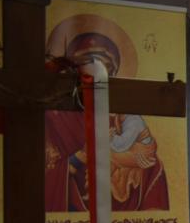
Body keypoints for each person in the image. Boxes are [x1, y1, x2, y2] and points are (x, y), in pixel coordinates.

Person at [44, 24, 169, 212]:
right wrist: (78, 158)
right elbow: (44, 169)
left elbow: (148, 161)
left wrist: (129, 159)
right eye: (87, 72)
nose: (96, 81)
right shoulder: (56, 119)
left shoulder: (123, 118)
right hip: (73, 205)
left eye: (106, 73)